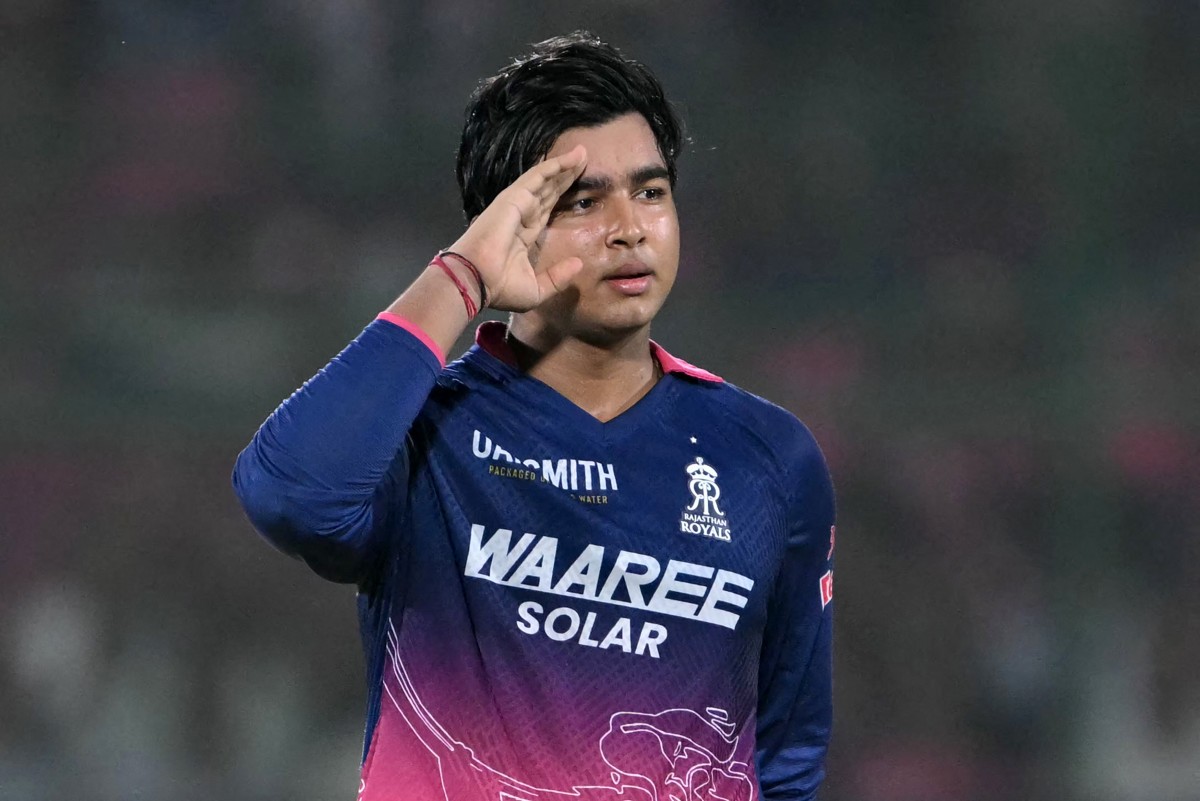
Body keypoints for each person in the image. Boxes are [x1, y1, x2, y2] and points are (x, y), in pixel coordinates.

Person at [232, 31, 836, 801]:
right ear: (509, 222)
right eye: (584, 201)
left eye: (651, 192)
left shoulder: (770, 459)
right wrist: (466, 273)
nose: (631, 227)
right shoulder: (425, 433)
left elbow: (786, 758)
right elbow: (290, 492)